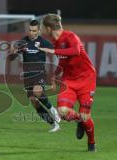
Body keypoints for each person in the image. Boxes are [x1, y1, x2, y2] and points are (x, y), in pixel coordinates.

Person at [38, 14, 96, 151]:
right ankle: (79, 120)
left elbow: (75, 51)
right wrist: (55, 75)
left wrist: (52, 51)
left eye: (43, 28)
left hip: (86, 79)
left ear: (48, 28)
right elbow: (64, 61)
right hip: (69, 80)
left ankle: (92, 143)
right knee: (63, 112)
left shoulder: (70, 37)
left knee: (85, 115)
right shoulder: (56, 42)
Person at [9, 20, 61, 132]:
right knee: (33, 101)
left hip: (39, 72)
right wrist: (16, 51)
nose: (31, 33)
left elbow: (57, 51)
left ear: (38, 31)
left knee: (37, 92)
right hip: (28, 75)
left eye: (34, 31)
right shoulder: (23, 41)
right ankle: (54, 124)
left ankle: (52, 110)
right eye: (30, 30)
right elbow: (11, 57)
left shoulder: (43, 42)